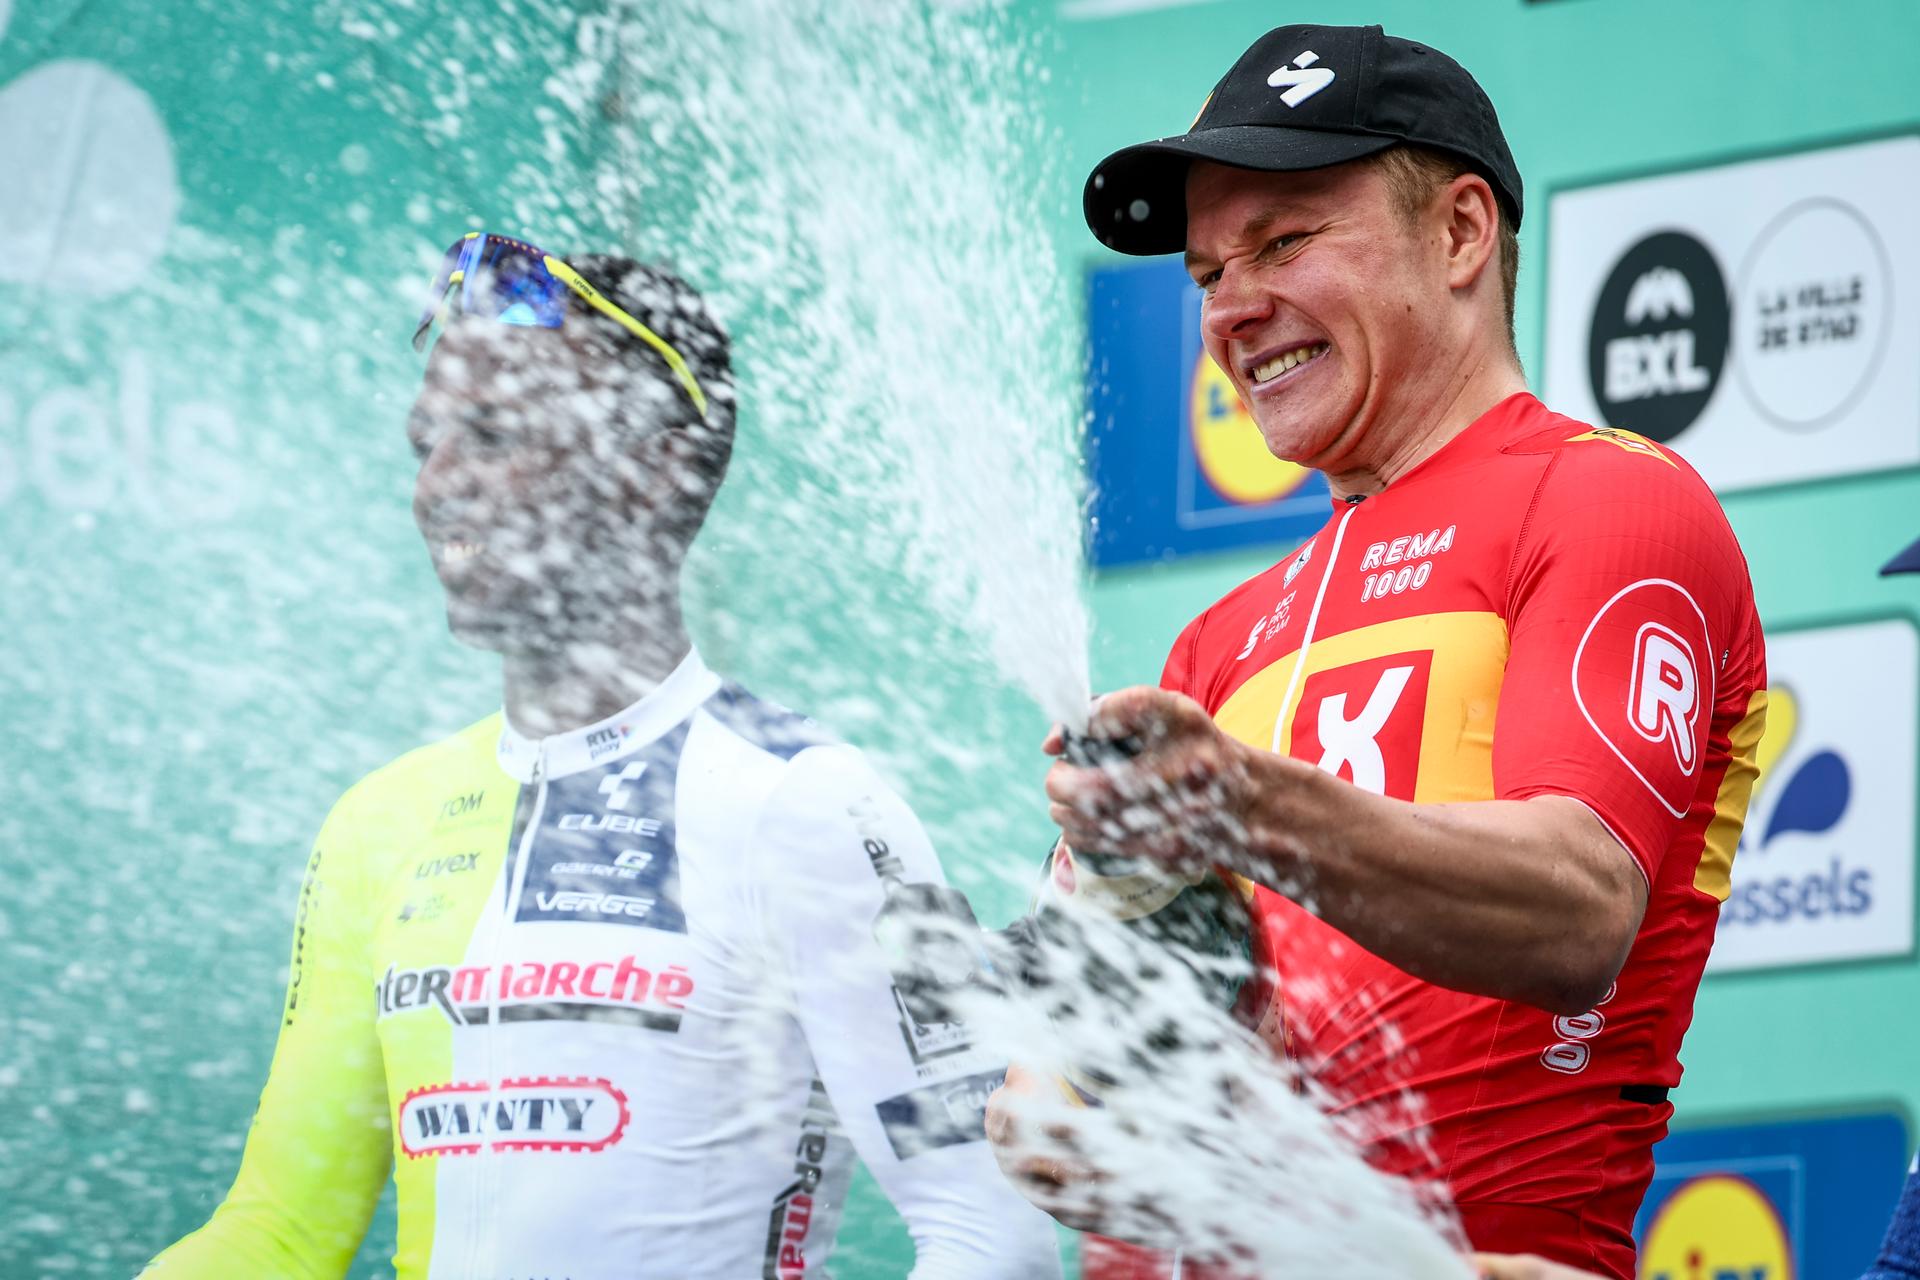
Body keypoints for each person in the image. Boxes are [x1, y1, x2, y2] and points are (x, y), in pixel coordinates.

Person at [987, 24, 1765, 1280]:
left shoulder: (1608, 500)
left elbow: (1579, 908)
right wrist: (1110, 982)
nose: (1232, 306)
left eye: (1284, 241)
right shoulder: (1213, 644)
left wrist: (1242, 806)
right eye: (1204, 273)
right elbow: (1040, 1127)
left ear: (1460, 234)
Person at [142, 234, 1062, 1279]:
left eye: (490, 435)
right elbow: (280, 1233)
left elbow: (989, 1228)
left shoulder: (800, 800)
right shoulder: (379, 822)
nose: (436, 488)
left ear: (655, 467)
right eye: (425, 444)